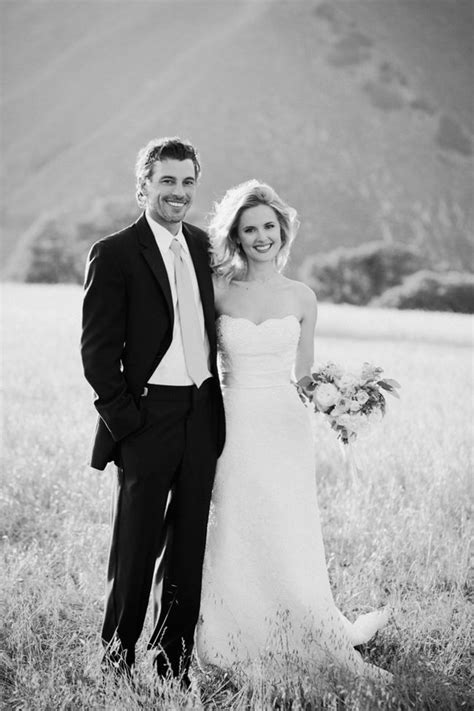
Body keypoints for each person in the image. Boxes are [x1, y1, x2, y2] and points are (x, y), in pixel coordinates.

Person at [195, 180, 391, 683]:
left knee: (287, 524)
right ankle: (232, 627)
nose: (261, 237)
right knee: (234, 520)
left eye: (268, 226)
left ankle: (300, 619)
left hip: (285, 426)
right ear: (236, 236)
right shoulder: (218, 290)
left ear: (283, 230)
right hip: (232, 421)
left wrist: (340, 400)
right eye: (249, 229)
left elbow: (303, 376)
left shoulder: (302, 296)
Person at [81, 137, 225, 684]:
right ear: (143, 185)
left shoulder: (204, 245)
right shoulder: (114, 252)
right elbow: (97, 351)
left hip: (202, 413)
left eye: (187, 182)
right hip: (147, 416)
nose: (179, 193)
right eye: (167, 181)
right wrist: (127, 421)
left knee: (187, 550)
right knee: (136, 548)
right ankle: (115, 662)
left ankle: (173, 666)